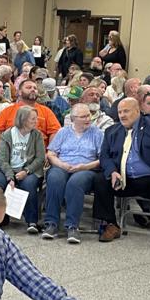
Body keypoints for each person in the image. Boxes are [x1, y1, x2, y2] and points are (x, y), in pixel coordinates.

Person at [93, 98, 150, 253]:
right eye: (120, 112)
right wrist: (112, 171)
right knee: (100, 180)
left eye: (126, 111)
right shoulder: (112, 131)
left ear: (137, 111)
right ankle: (111, 224)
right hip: (124, 179)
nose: (122, 115)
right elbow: (104, 156)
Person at [41, 103, 103, 244]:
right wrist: (62, 164)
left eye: (88, 115)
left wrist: (84, 166)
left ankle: (72, 226)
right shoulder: (63, 132)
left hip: (86, 168)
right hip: (63, 165)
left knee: (75, 183)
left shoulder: (97, 133)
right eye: (83, 116)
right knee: (54, 178)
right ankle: (51, 223)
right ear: (73, 118)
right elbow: (51, 154)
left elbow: (102, 159)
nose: (88, 118)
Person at [0, 105, 45, 232]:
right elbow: (1, 159)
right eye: (33, 119)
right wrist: (10, 176)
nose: (36, 121)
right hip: (5, 168)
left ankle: (32, 221)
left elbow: (40, 158)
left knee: (29, 184)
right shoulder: (8, 134)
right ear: (23, 120)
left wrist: (27, 171)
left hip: (28, 169)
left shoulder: (37, 135)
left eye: (36, 118)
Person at [0, 79, 60, 148]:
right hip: (12, 152)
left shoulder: (46, 111)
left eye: (35, 88)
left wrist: (50, 152)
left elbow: (55, 131)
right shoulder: (8, 110)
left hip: (38, 153)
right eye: (29, 87)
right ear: (20, 92)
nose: (33, 90)